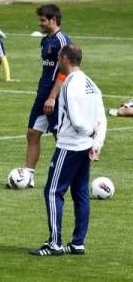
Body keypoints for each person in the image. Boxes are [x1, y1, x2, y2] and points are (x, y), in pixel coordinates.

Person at [29, 44, 107, 256]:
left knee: (53, 192)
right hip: (85, 148)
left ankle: (54, 244)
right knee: (80, 194)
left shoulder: (71, 85)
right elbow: (102, 119)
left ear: (64, 58)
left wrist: (89, 131)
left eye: (58, 58)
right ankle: (78, 243)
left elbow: (76, 118)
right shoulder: (91, 84)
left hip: (70, 146)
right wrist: (96, 143)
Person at [21, 4, 71, 187]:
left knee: (61, 136)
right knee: (33, 133)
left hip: (56, 97)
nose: (40, 23)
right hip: (42, 95)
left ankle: (66, 177)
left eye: (43, 20)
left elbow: (64, 71)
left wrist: (53, 96)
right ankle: (28, 176)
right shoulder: (45, 41)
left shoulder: (62, 40)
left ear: (53, 20)